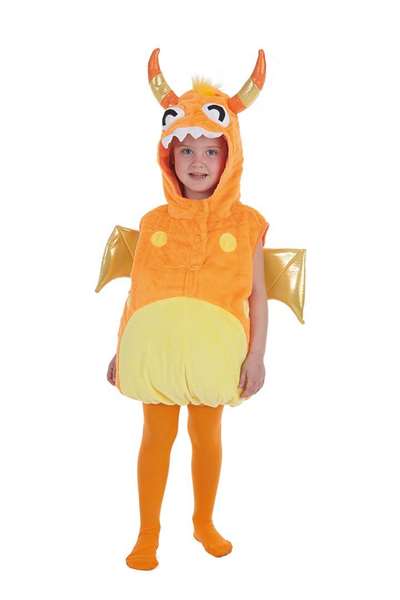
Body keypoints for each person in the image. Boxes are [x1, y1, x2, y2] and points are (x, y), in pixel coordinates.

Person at [107, 48, 269, 570]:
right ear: (168, 158)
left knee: (206, 436)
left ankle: (203, 522)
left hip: (214, 357)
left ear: (230, 157)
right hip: (156, 352)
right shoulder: (154, 222)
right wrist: (120, 350)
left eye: (211, 151)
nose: (198, 162)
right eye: (186, 151)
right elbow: (139, 290)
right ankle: (147, 534)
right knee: (156, 437)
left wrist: (256, 356)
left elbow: (257, 294)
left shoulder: (247, 224)